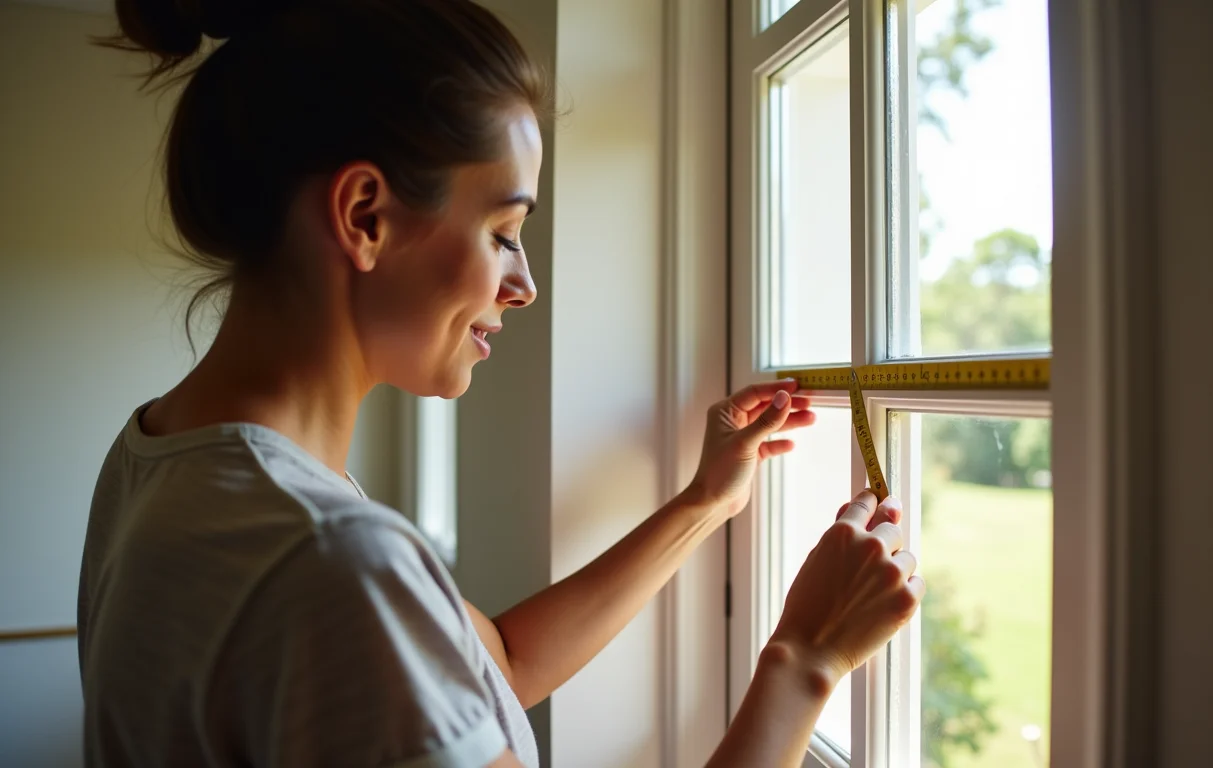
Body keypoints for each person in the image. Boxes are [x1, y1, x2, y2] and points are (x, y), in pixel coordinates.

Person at [76, 1, 925, 766]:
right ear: (365, 216)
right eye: (504, 231)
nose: (524, 286)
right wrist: (803, 662)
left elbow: (499, 668)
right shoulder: (327, 554)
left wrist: (706, 502)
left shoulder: (162, 458)